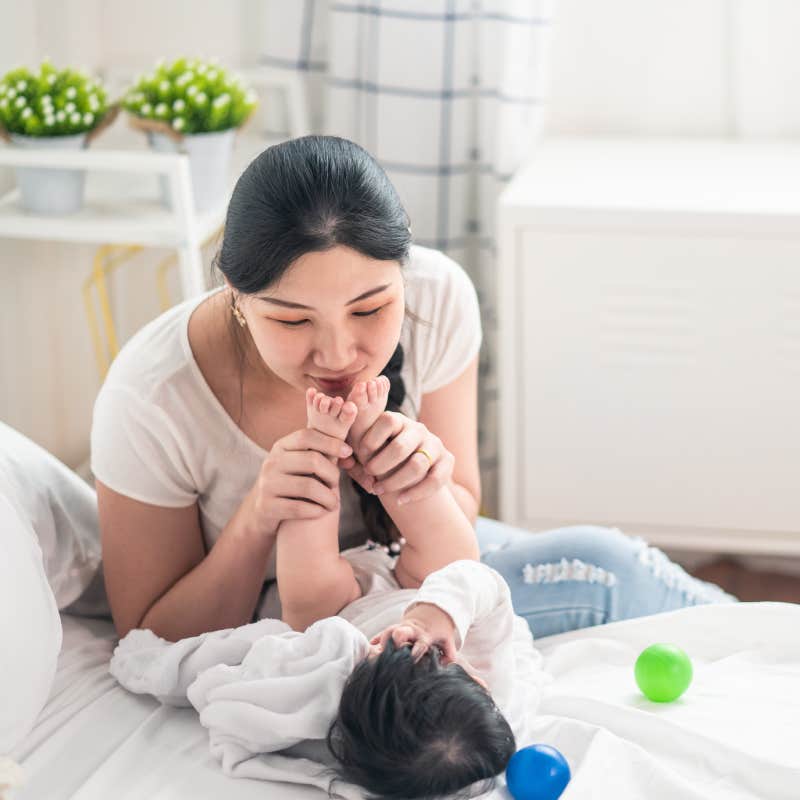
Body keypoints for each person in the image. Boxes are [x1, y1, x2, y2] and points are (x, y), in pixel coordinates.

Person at [91, 134, 735, 645]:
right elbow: (148, 635)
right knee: (604, 573)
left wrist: (418, 480)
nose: (339, 353)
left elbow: (461, 515)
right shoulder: (154, 396)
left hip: (413, 567)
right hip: (289, 623)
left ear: (405, 275)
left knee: (609, 562)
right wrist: (259, 517)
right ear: (235, 297)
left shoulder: (439, 296)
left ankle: (762, 645)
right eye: (291, 320)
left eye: (371, 309)